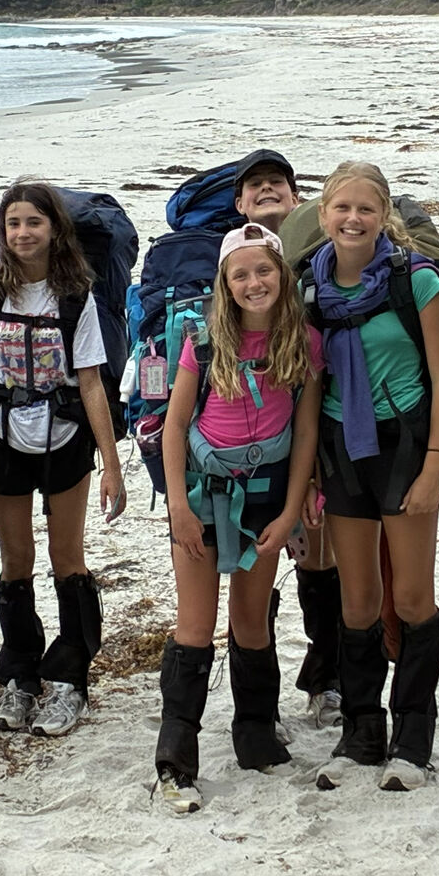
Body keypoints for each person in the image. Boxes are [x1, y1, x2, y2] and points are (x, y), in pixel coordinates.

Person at [154, 222, 324, 812]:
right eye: (240, 274)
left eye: (264, 270)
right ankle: (175, 759)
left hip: (266, 496)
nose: (255, 283)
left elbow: (306, 432)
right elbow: (175, 426)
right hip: (202, 497)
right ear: (225, 284)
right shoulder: (202, 341)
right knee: (195, 625)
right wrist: (177, 506)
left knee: (252, 622)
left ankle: (256, 737)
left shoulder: (304, 341)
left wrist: (291, 508)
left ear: (283, 275)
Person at [0, 180, 126, 738]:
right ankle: (20, 677)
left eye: (33, 222)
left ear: (54, 229)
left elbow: (91, 382)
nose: (23, 233)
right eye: (13, 223)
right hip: (3, 438)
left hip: (66, 437)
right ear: (2, 231)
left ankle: (70, 679)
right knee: (16, 562)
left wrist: (111, 464)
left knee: (67, 557)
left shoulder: (75, 295)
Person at [303, 162, 439, 792]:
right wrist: (309, 473)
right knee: (357, 600)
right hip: (342, 449)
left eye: (366, 208)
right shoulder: (310, 289)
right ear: (323, 216)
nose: (353, 219)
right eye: (342, 208)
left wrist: (434, 466)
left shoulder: (416, 280)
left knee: (413, 598)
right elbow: (309, 387)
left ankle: (413, 738)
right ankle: (361, 733)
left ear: (384, 215)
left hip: (405, 445)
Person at [231, 149, 342, 729]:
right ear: (239, 203)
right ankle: (261, 701)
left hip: (320, 431)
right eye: (255, 186)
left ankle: (327, 681)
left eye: (277, 182)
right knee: (253, 573)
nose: (267, 190)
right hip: (246, 453)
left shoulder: (323, 256)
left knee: (319, 562)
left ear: (297, 198)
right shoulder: (235, 265)